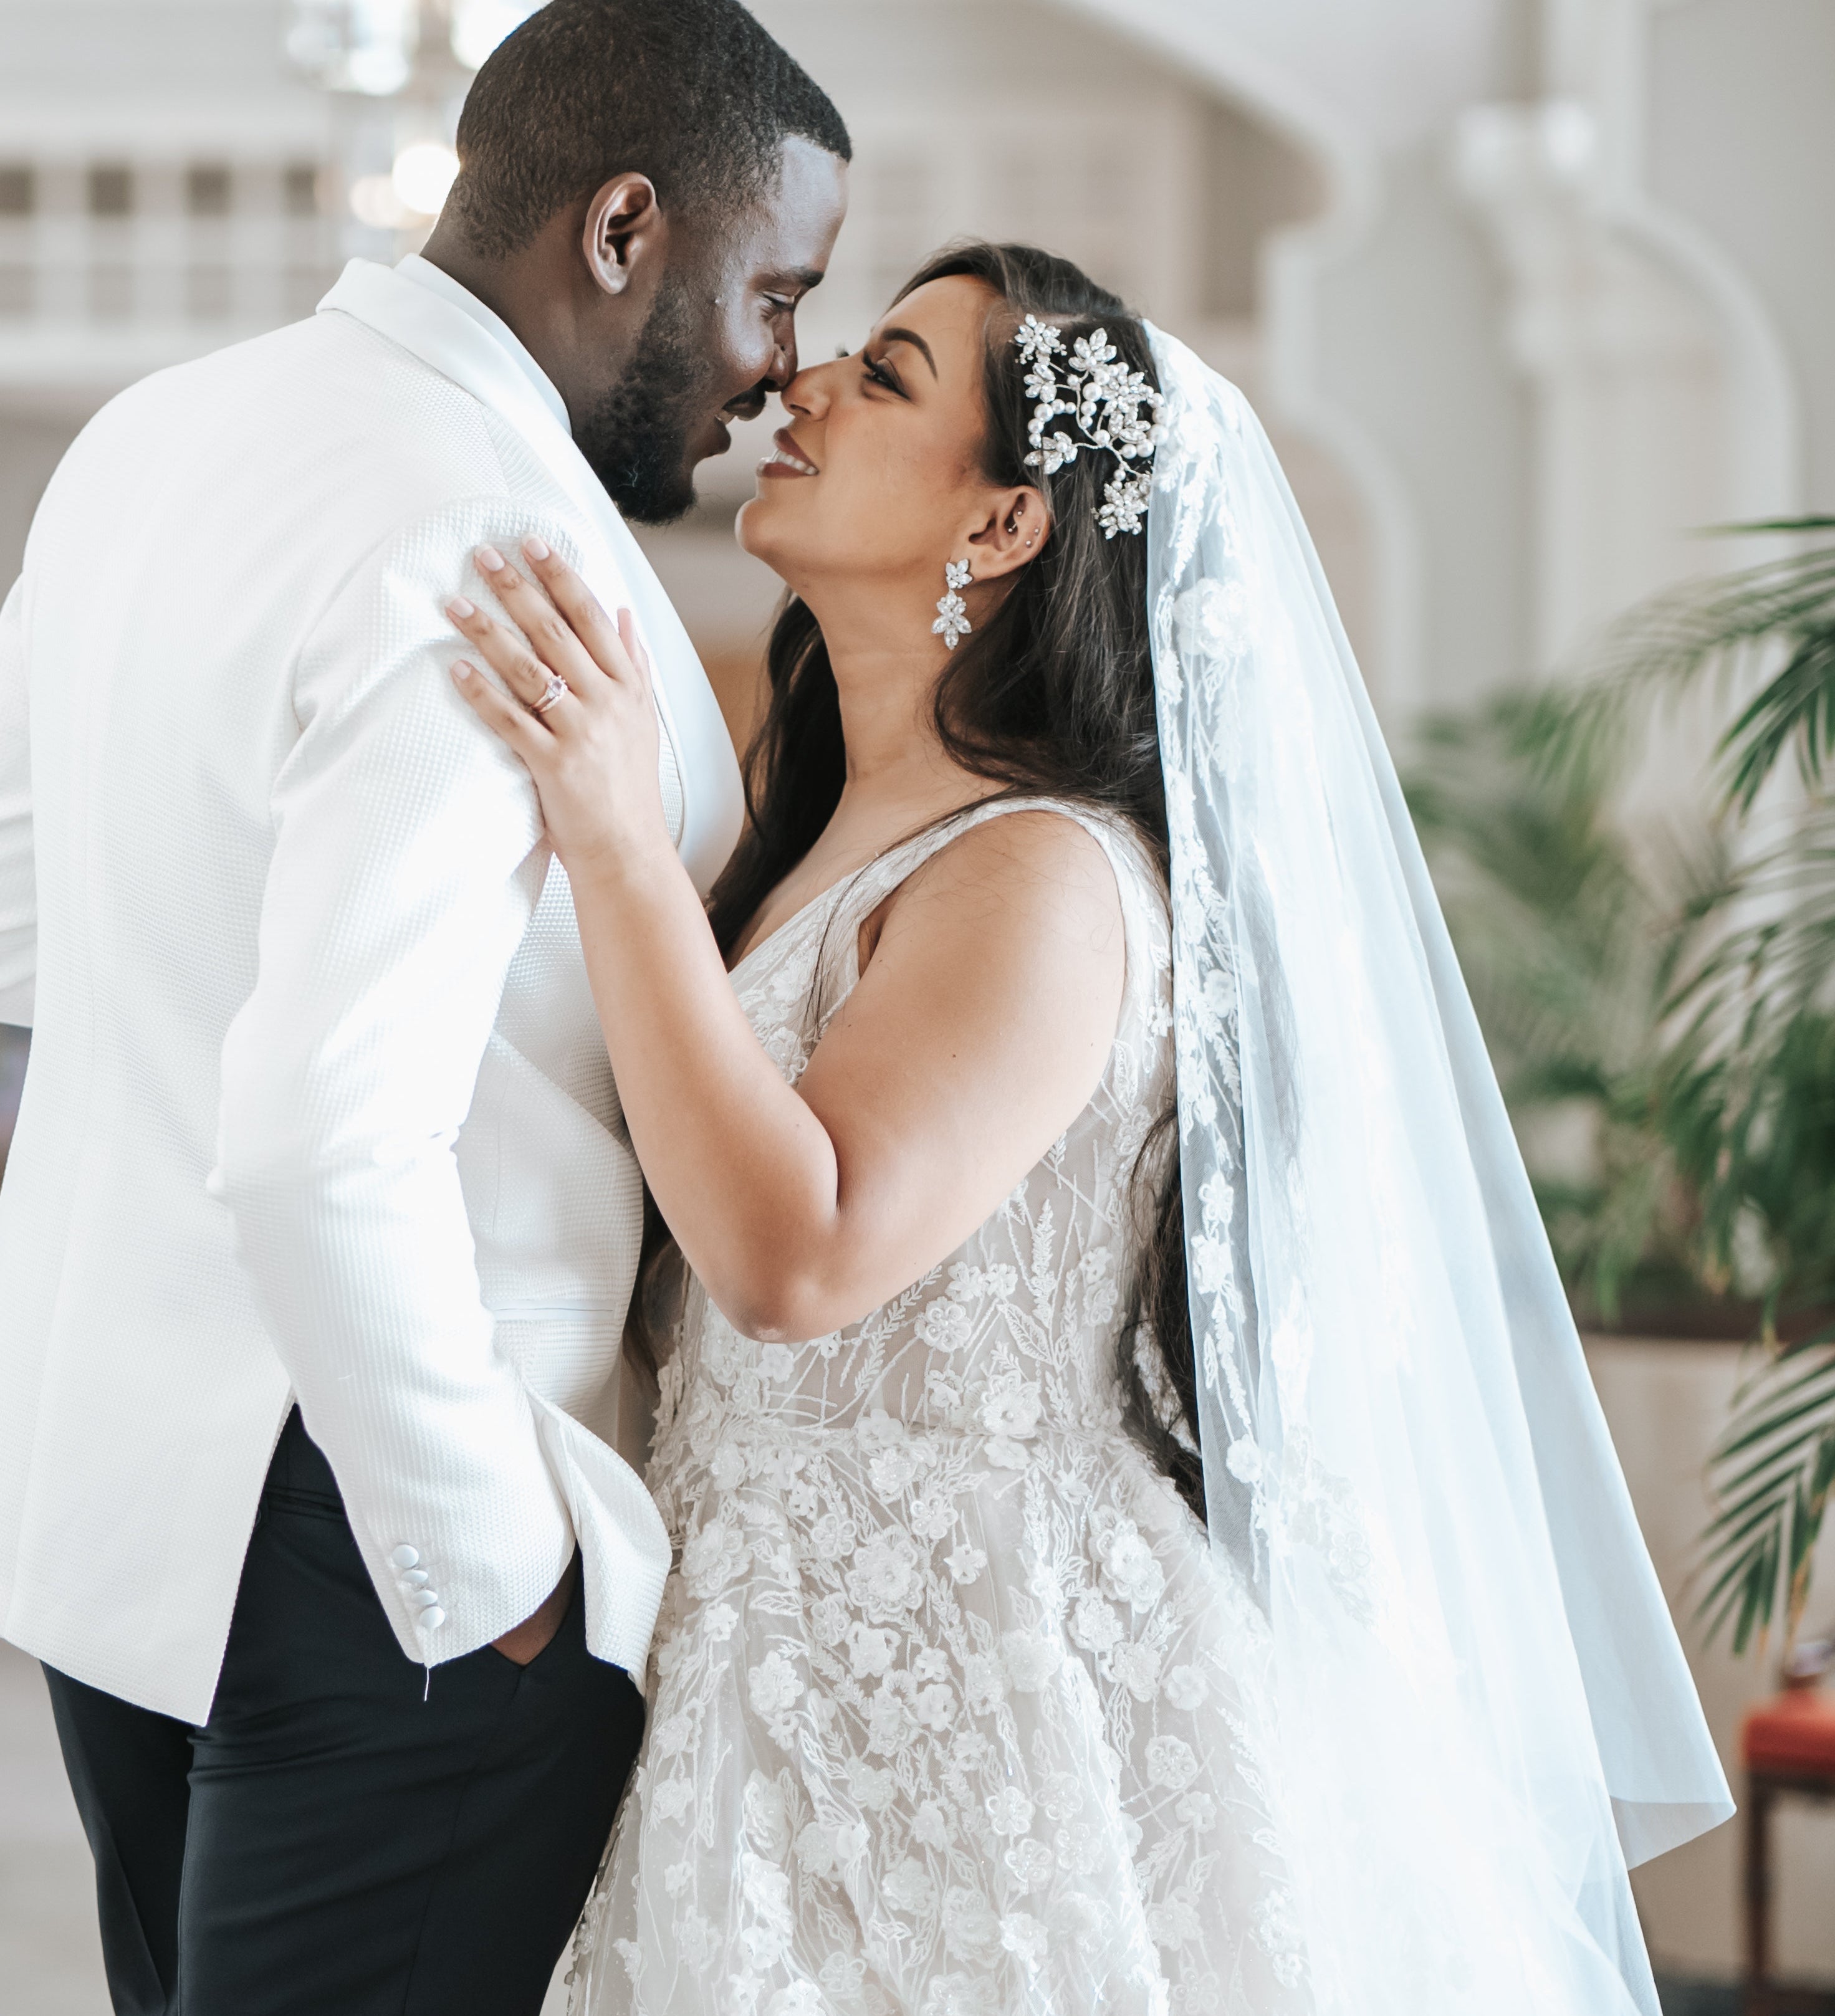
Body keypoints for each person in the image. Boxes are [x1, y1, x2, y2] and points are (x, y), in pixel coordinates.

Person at [441, 242, 1732, 2015]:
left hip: (988, 1716)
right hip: (760, 1683)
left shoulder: (1044, 873)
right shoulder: (796, 839)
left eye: (887, 377)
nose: (802, 386)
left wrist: (604, 843)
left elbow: (799, 1253)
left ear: (1003, 528)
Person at [0, 2, 845, 2009]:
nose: (780, 371)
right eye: (775, 292)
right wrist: (489, 1575)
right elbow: (321, 1139)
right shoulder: (489, 542)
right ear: (622, 233)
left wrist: (235, 968)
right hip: (387, 1515)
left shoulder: (158, 430)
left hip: (121, 1497)